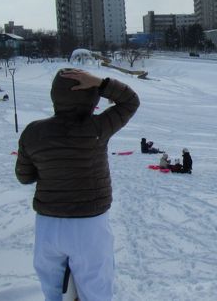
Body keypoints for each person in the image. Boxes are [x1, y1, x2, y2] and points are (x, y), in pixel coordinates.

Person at [15, 68, 140, 301]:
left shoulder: (33, 132)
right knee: (96, 288)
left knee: (54, 292)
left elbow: (25, 177)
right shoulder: (96, 127)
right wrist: (102, 83)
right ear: (90, 96)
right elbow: (130, 101)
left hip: (48, 225)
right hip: (89, 225)